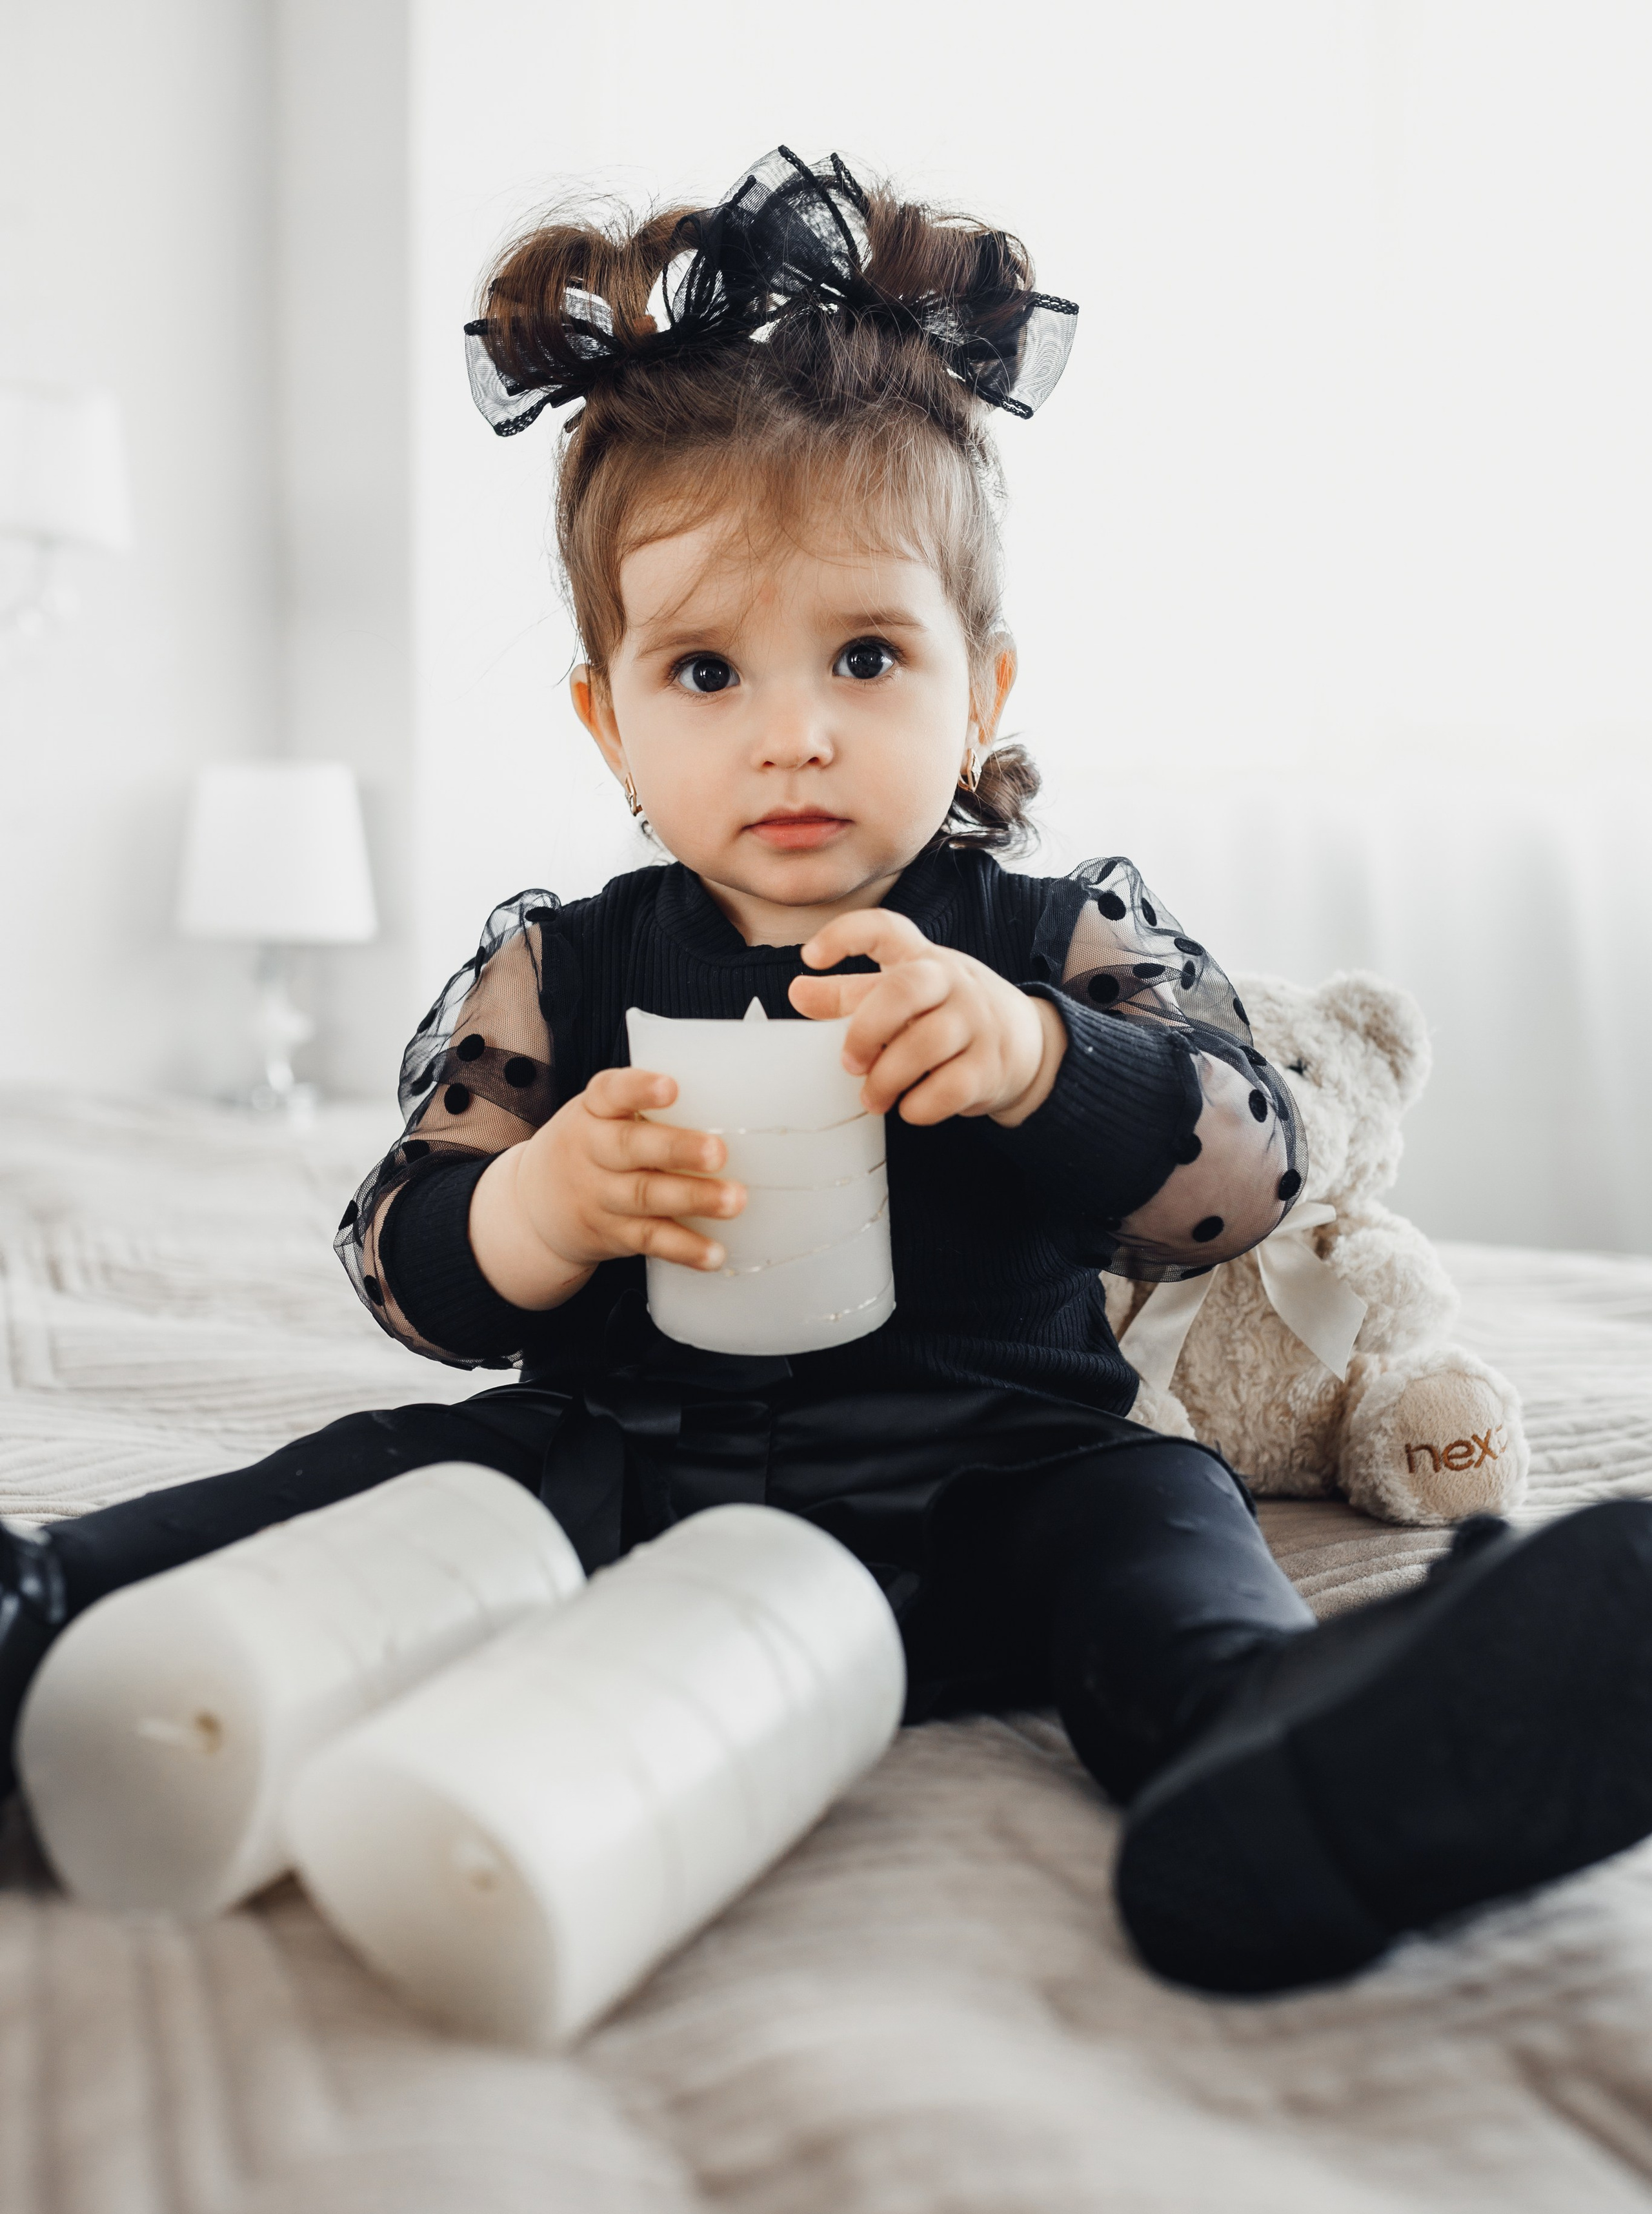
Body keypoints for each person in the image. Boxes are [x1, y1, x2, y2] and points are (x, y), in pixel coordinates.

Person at [3, 148, 1649, 1995]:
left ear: (983, 693)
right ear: (606, 715)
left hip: (996, 1489)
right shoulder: (573, 964)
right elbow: (408, 1262)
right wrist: (538, 1210)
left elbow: (1246, 1172)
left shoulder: (1049, 938)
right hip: (629, 1480)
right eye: (704, 672)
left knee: (1160, 1511)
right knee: (402, 1474)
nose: (793, 731)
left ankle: (1278, 1757)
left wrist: (1039, 1061)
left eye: (866, 654)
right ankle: (45, 1617)